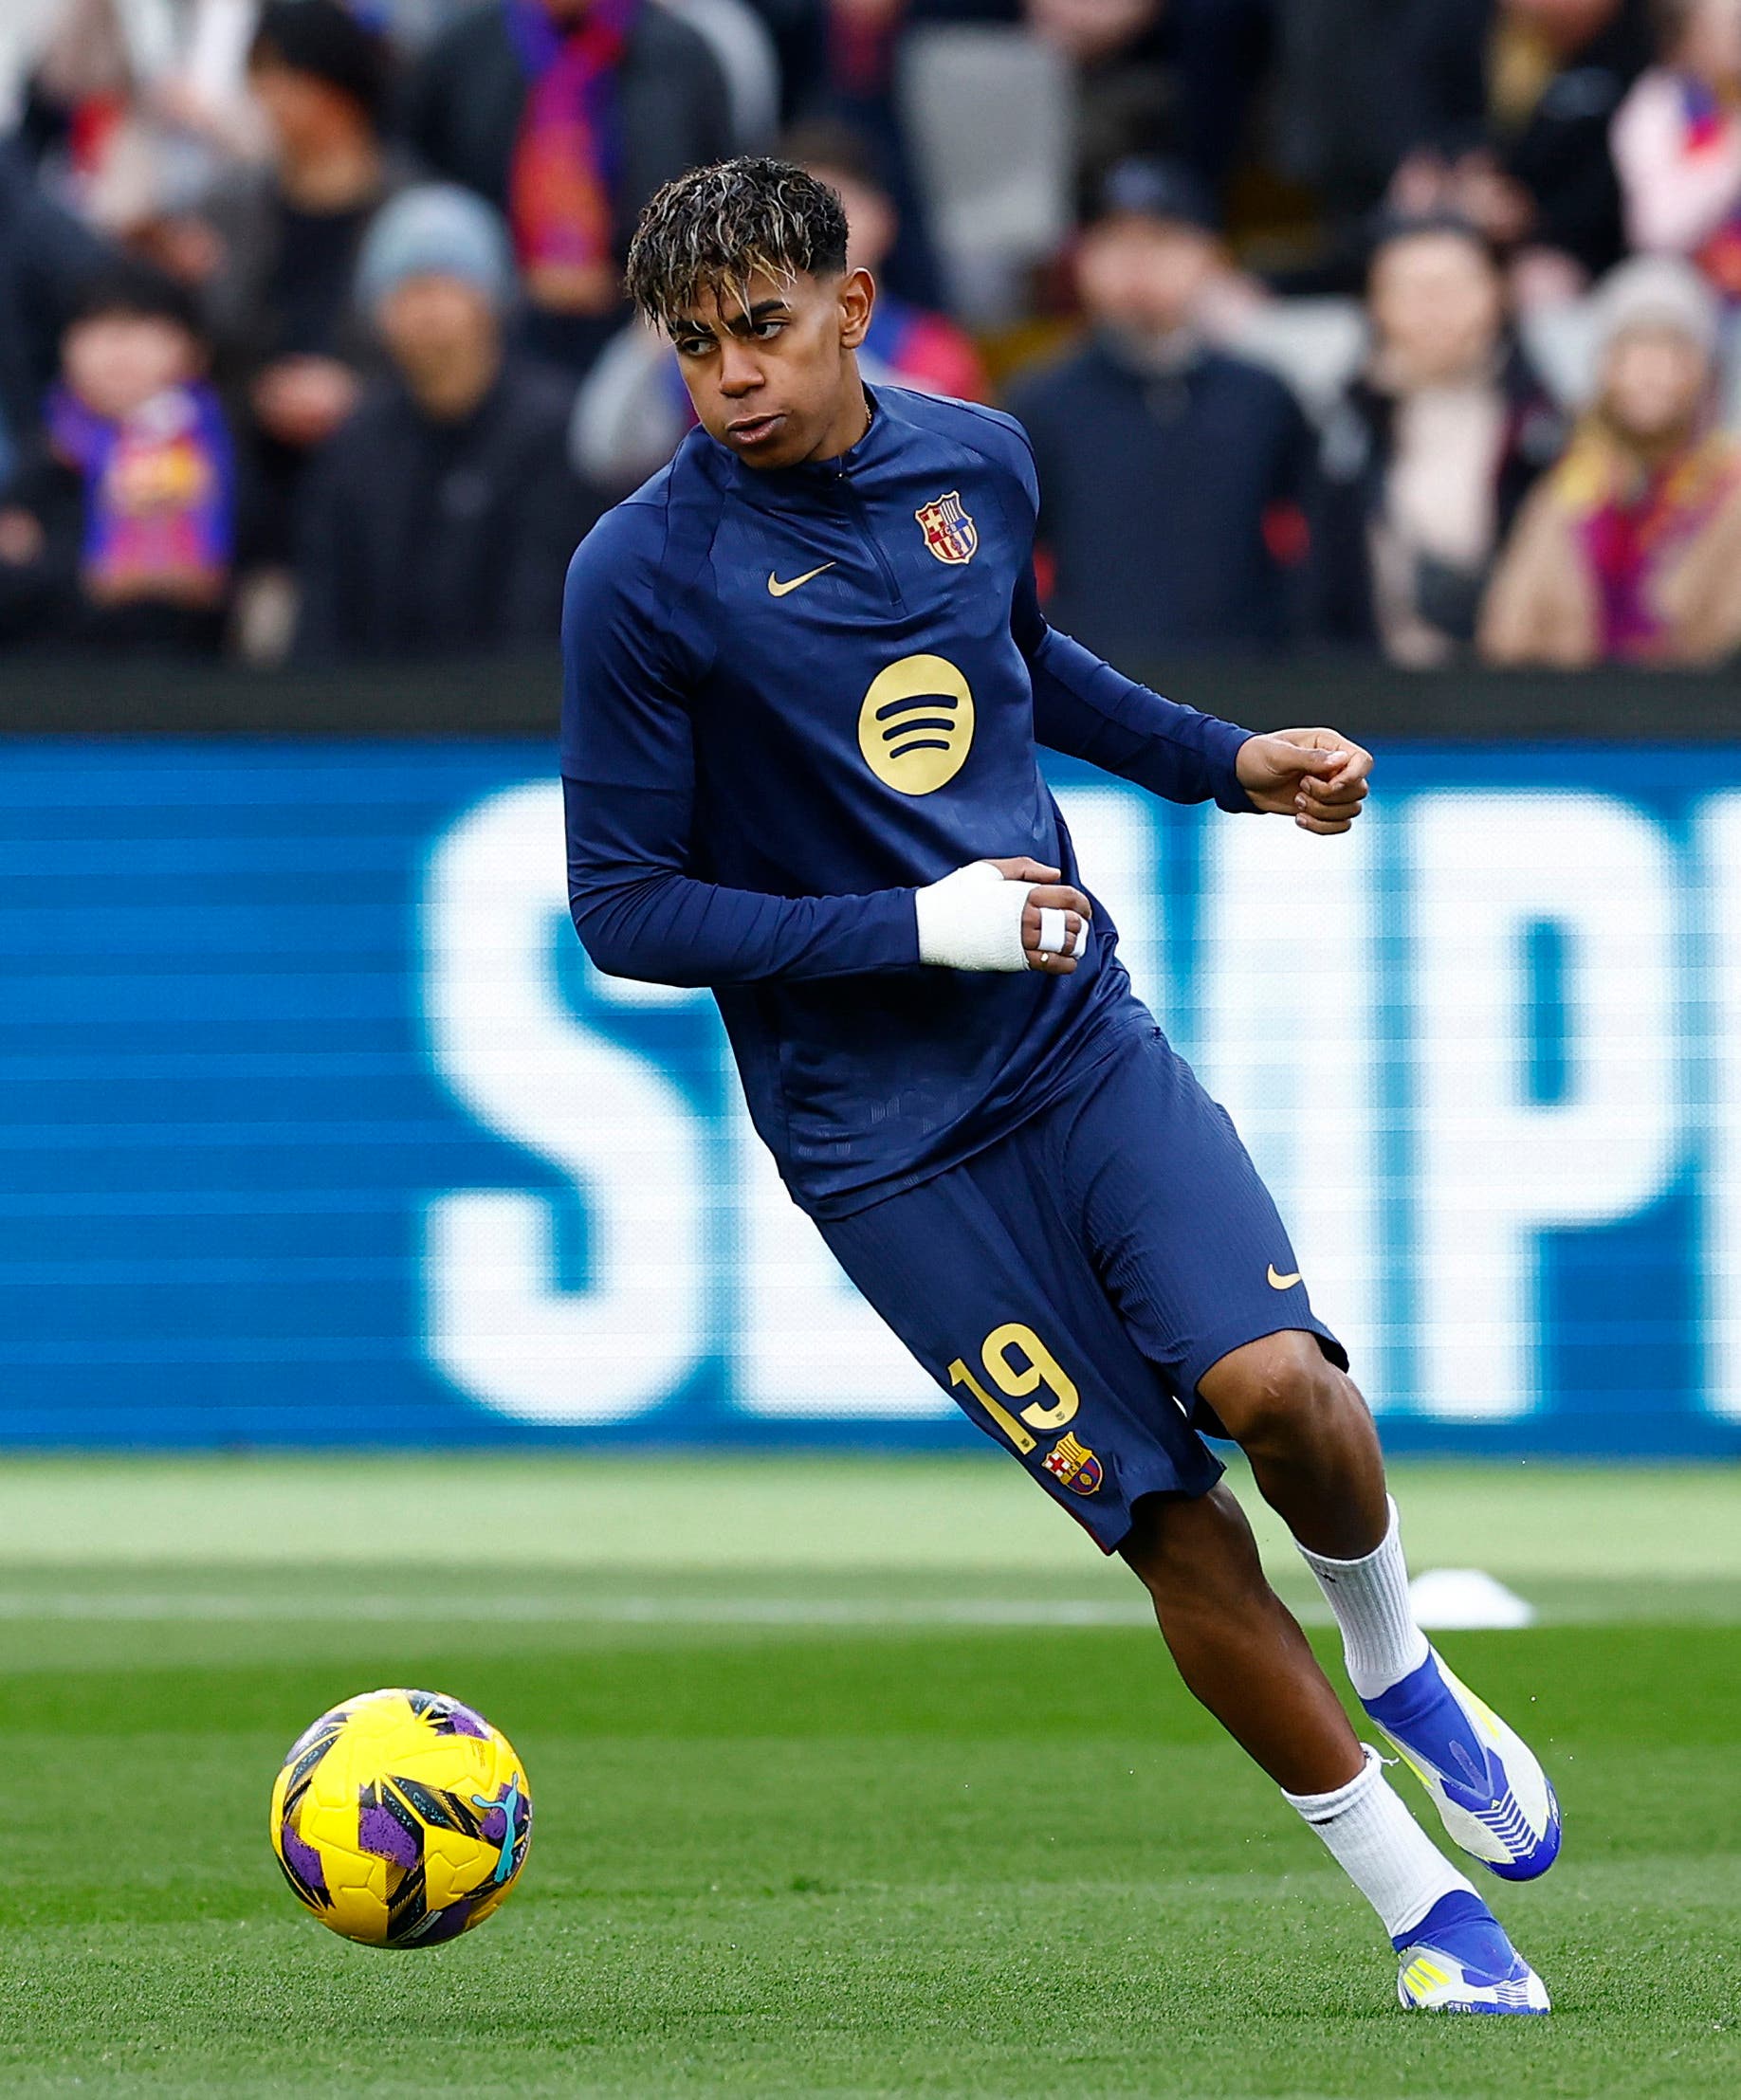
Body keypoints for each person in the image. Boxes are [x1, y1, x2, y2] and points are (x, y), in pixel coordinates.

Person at [561, 155, 1561, 2017]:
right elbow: (624, 908)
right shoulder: (642, 577)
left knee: (1287, 1392)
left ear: (851, 311)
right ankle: (1431, 1910)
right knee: (1170, 1521)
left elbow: (1012, 665)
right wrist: (914, 931)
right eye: (693, 347)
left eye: (762, 329)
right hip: (881, 1151)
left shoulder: (979, 464)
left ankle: (1401, 1651)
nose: (732, 377)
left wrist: (1224, 761)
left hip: (1072, 1048)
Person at [1004, 156, 1316, 659]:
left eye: (1162, 241)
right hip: (1093, 697)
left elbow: (1305, 552)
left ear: (1210, 256)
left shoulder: (1263, 398)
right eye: (1114, 242)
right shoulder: (1039, 404)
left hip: (1250, 690)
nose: (1137, 264)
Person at [293, 183, 593, 662]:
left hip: (512, 718)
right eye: (406, 289)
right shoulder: (355, 443)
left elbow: (548, 602)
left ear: (490, 297)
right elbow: (325, 607)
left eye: (446, 283)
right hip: (371, 719)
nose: (427, 308)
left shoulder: (553, 430)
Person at [402, 0, 733, 373]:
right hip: (500, 319)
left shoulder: (679, 56)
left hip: (645, 321)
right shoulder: (467, 49)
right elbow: (417, 170)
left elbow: (718, 192)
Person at [193, 0, 402, 553]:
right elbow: (211, 344)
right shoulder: (226, 208)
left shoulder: (412, 213)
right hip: (248, 469)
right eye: (259, 74)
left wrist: (360, 398)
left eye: (286, 75)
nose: (270, 96)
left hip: (377, 470)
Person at [1313, 212, 1566, 664]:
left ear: (1497, 293)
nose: (1433, 308)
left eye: (1452, 287)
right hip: (1374, 690)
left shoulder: (1545, 427)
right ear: (1376, 304)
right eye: (1409, 290)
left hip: (1526, 689)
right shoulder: (1342, 430)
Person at [1480, 252, 1741, 662]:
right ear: (1604, 369)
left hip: (1696, 718)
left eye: (1674, 352)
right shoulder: (1566, 491)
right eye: (1633, 352)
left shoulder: (1730, 490)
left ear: (1704, 372)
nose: (1652, 373)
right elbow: (1507, 635)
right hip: (1568, 717)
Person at [0, 260, 238, 652]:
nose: (118, 346)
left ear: (195, 351)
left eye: (142, 326)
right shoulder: (45, 457)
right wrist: (97, 578)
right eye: (96, 327)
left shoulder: (224, 447)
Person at [1611, 0, 1741, 301]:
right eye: (1734, 24)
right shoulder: (1659, 104)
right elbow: (1657, 230)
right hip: (1690, 286)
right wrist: (1731, 154)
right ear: (1689, 35)